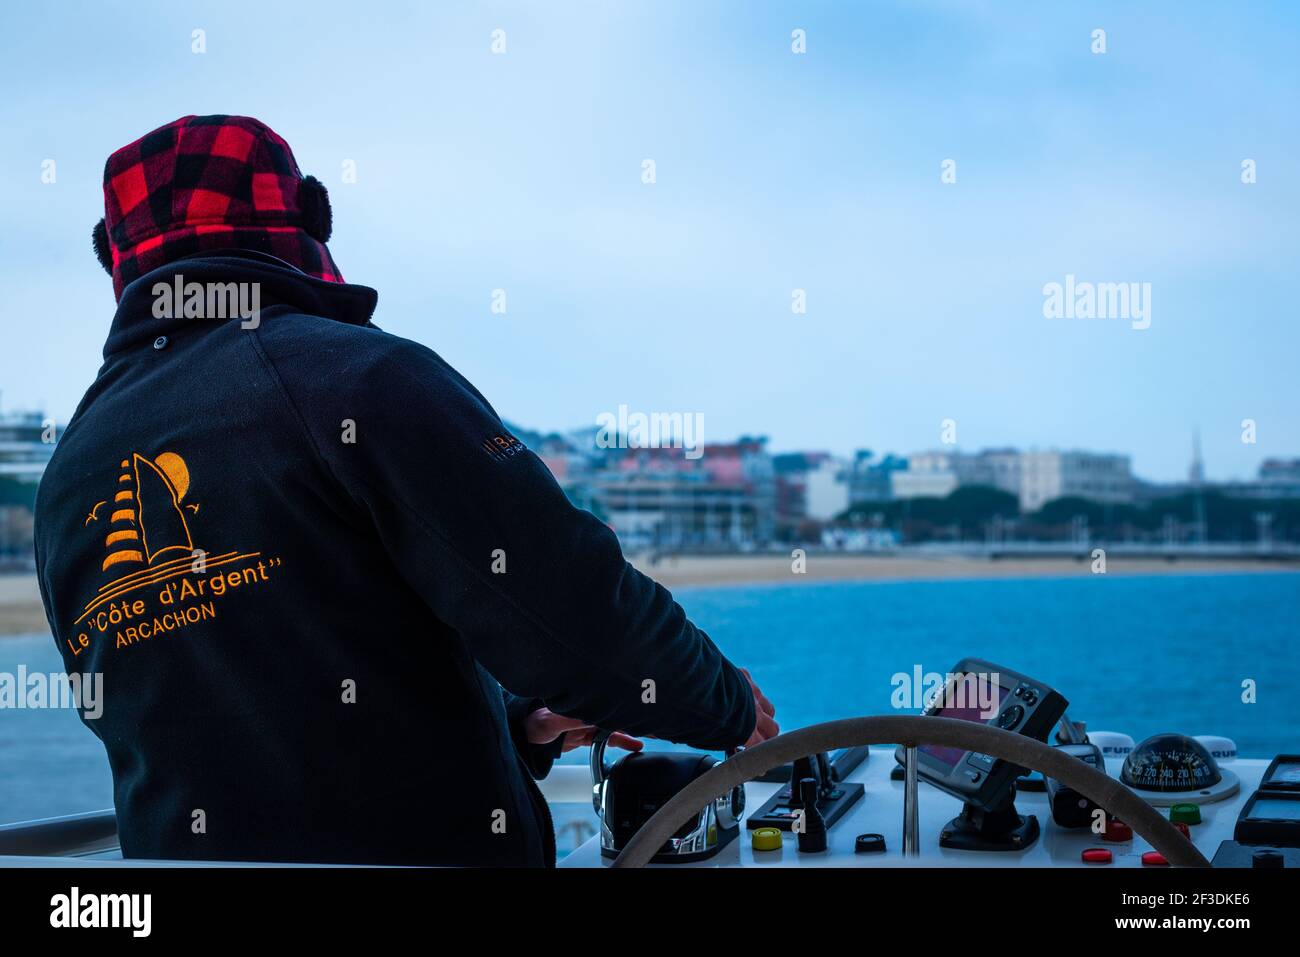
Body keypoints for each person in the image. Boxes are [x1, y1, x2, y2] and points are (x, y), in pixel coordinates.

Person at [33, 115, 778, 866]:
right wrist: (722, 699)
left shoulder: (70, 474)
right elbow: (573, 607)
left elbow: (248, 690)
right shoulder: (354, 380)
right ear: (305, 215)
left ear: (117, 258)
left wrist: (517, 717)